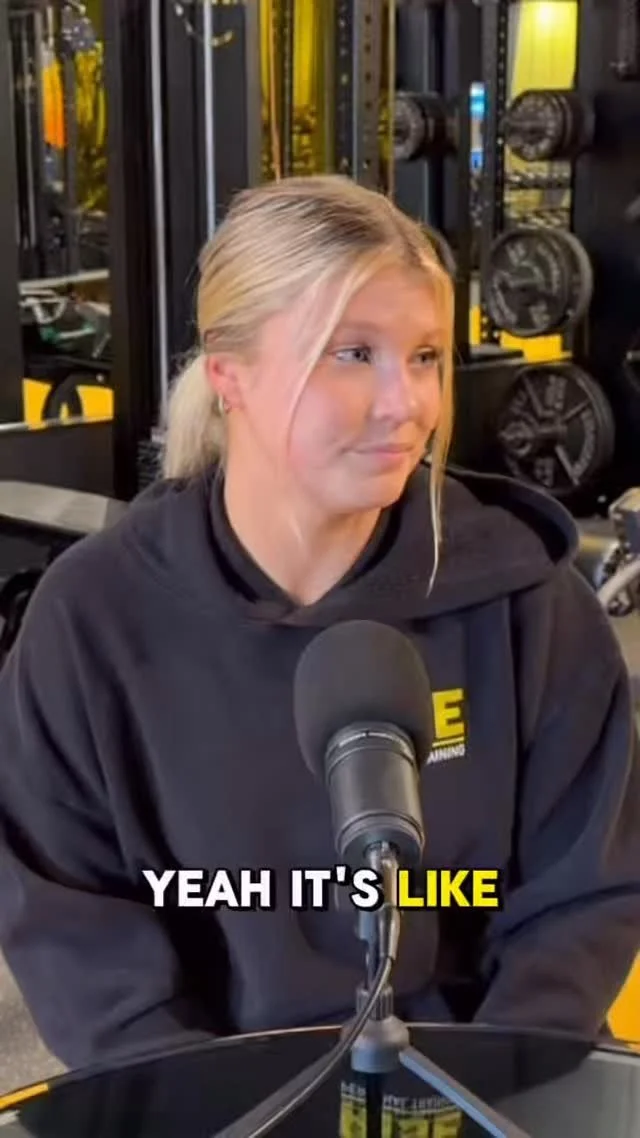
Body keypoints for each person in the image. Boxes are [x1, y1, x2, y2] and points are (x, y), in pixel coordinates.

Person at [0, 175, 639, 1075]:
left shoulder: (529, 605)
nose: (406, 402)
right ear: (230, 374)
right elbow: (73, 928)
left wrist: (478, 1097)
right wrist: (208, 1108)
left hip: (491, 1092)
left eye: (425, 355)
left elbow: (581, 903)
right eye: (354, 354)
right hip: (211, 1108)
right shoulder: (92, 622)